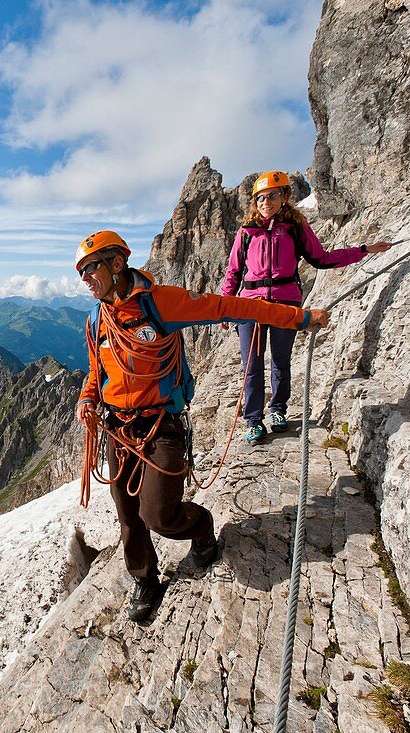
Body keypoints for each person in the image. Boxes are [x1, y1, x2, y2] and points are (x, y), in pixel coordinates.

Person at [74, 229, 330, 622]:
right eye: (81, 273)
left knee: (159, 515)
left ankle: (202, 527)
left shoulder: (162, 304)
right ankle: (145, 579)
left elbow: (233, 308)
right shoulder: (97, 319)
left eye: (91, 268)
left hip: (162, 425)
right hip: (117, 426)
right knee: (128, 516)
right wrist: (87, 398)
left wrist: (299, 318)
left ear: (117, 263)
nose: (85, 278)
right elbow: (97, 371)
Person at [220, 170, 390, 444]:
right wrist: (224, 306)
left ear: (285, 197)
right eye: (261, 198)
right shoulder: (247, 232)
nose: (266, 202)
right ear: (255, 202)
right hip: (250, 305)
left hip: (285, 301)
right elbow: (233, 272)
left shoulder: (296, 228)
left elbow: (321, 258)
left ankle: (277, 410)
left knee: (280, 360)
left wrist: (363, 250)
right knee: (251, 364)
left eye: (272, 196)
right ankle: (253, 421)